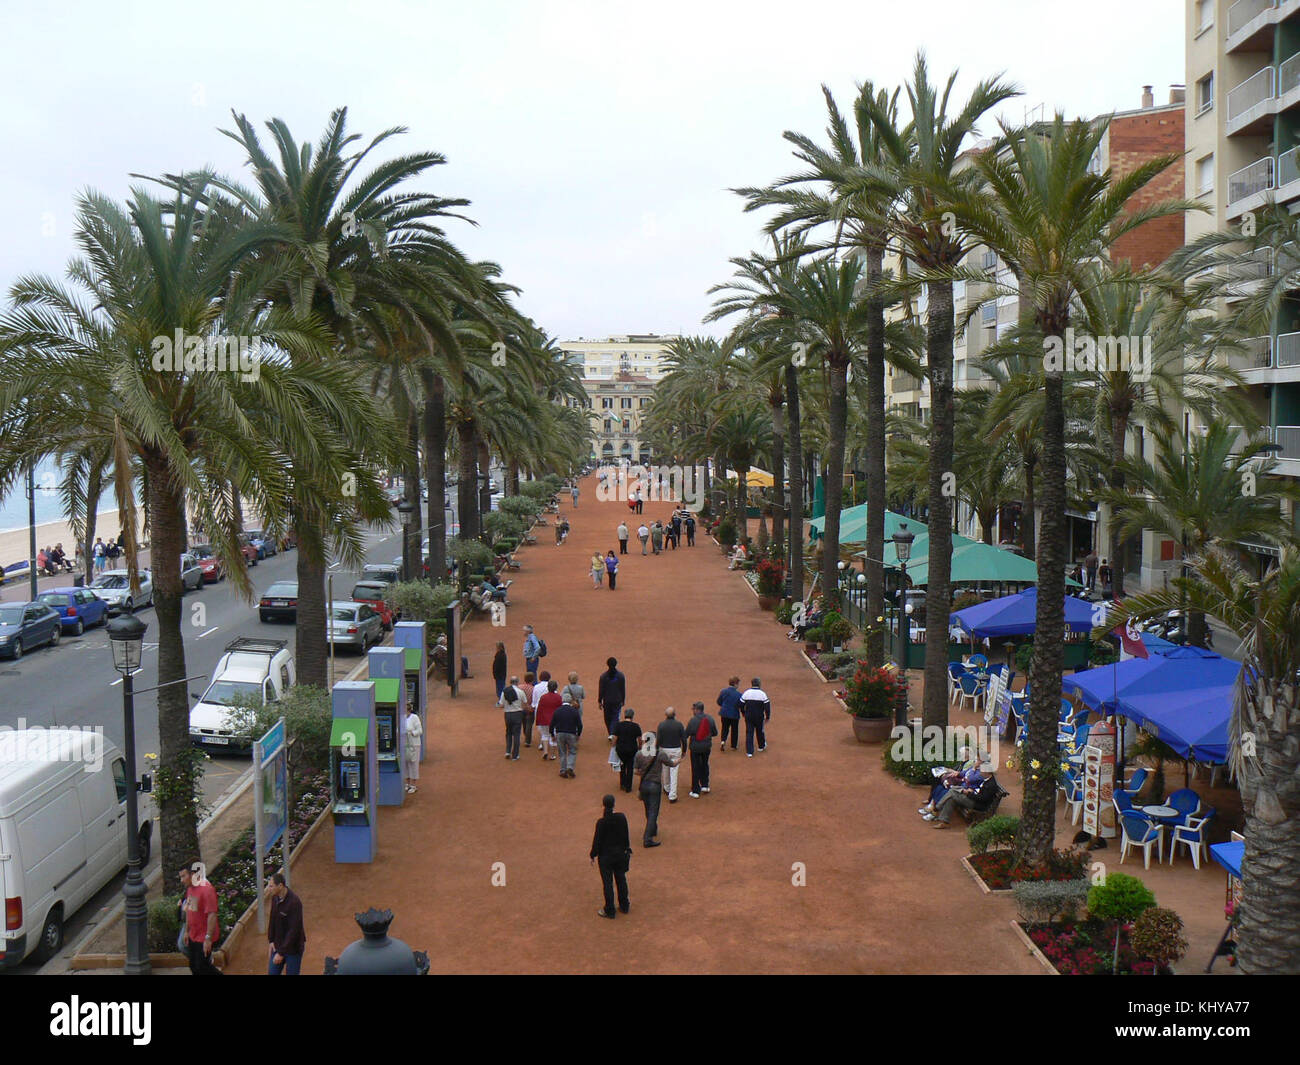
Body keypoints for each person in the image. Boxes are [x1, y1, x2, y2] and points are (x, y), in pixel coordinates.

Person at [591, 794, 632, 919]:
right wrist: (626, 849)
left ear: (603, 805)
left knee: (608, 883)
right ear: (614, 804)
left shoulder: (601, 822)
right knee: (621, 879)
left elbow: (597, 841)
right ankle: (624, 905)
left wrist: (592, 855)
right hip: (620, 854)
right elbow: (626, 836)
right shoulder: (621, 817)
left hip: (606, 858)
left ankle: (610, 910)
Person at [179, 863, 221, 975]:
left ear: (192, 874)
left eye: (183, 876)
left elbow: (212, 915)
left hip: (203, 937)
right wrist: (187, 931)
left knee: (202, 967)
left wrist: (208, 939)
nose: (181, 880)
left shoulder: (207, 890)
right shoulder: (190, 889)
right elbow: (190, 911)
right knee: (194, 966)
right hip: (194, 935)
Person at [265, 871, 306, 975]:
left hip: (293, 949)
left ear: (280, 886)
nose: (268, 889)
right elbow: (272, 919)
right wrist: (271, 941)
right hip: (278, 945)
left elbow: (294, 930)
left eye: (271, 886)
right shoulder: (275, 898)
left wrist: (281, 953)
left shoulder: (294, 903)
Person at [931, 773, 1001, 829]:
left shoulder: (991, 785)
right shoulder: (987, 780)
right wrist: (971, 791)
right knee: (952, 798)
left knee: (952, 793)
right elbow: (979, 791)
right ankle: (944, 821)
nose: (980, 772)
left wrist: (968, 793)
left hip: (977, 804)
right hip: (974, 797)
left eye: (982, 771)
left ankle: (936, 808)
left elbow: (982, 799)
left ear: (987, 772)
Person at [634, 733, 665, 848]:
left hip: (644, 785)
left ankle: (653, 829)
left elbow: (636, 771)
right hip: (655, 785)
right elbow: (670, 763)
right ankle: (647, 838)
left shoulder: (639, 754)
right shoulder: (659, 754)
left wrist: (643, 774)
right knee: (653, 812)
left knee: (648, 809)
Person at [683, 701, 717, 797]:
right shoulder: (710, 719)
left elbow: (686, 734)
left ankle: (695, 790)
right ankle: (705, 785)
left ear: (698, 710)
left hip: (695, 747)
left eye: (694, 709)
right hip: (706, 747)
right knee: (705, 764)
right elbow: (715, 732)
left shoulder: (693, 720)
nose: (693, 711)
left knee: (695, 767)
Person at [655, 706, 686, 803]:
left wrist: (656, 750)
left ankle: (667, 788)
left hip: (664, 750)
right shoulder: (679, 725)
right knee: (674, 771)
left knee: (665, 769)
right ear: (674, 715)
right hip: (676, 750)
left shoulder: (661, 725)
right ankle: (672, 795)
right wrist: (684, 750)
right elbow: (683, 739)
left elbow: (658, 739)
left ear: (665, 715)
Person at [613, 707, 642, 792]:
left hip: (621, 749)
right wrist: (640, 747)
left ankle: (622, 783)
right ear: (632, 716)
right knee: (630, 767)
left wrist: (614, 747)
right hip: (632, 749)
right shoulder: (636, 726)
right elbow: (639, 739)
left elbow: (615, 737)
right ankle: (628, 787)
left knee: (622, 766)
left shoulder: (619, 725)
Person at [553, 693, 582, 778]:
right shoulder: (574, 711)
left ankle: (563, 770)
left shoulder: (557, 710)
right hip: (571, 733)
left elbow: (552, 724)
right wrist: (578, 734)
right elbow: (580, 725)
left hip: (560, 733)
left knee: (562, 752)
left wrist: (552, 734)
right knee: (572, 751)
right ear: (570, 701)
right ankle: (570, 767)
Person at [740, 677, 771, 756]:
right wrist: (767, 717)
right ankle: (761, 746)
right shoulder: (762, 694)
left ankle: (749, 752)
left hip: (749, 716)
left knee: (749, 732)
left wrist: (743, 712)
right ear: (759, 684)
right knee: (760, 731)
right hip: (759, 716)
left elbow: (741, 704)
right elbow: (767, 706)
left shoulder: (747, 693)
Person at [598, 657, 626, 739]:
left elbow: (601, 689)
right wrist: (623, 699)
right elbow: (622, 689)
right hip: (617, 700)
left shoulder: (603, 676)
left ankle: (611, 733)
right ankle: (612, 733)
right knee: (615, 717)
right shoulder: (620, 676)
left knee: (607, 718)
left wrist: (599, 700)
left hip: (607, 701)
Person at [536, 679, 561, 760]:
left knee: (545, 735)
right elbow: (560, 709)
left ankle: (546, 752)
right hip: (555, 721)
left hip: (544, 720)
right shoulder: (558, 697)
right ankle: (553, 754)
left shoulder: (543, 697)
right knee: (553, 737)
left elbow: (539, 709)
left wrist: (538, 721)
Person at [716, 676, 743, 752]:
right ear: (735, 684)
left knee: (724, 728)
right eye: (738, 684)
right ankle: (733, 745)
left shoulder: (723, 691)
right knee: (734, 730)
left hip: (724, 713)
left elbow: (718, 701)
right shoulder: (739, 694)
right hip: (734, 714)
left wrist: (724, 706)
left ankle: (723, 741)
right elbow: (740, 705)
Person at [501, 681, 525, 760]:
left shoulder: (505, 691)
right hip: (517, 714)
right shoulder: (520, 692)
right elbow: (524, 702)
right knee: (516, 734)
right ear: (517, 683)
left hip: (507, 714)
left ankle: (508, 751)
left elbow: (501, 704)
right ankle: (515, 755)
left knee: (508, 733)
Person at [404, 707, 423, 791]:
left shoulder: (414, 717)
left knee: (414, 764)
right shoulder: (402, 718)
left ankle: (413, 785)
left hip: (414, 744)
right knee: (406, 764)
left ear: (409, 710)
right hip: (405, 745)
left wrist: (411, 733)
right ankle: (407, 783)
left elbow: (420, 730)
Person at [520, 671, 537, 747]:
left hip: (521, 708)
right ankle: (527, 740)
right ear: (532, 680)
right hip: (530, 709)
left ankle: (526, 736)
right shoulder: (533, 689)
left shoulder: (519, 687)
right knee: (529, 724)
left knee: (524, 723)